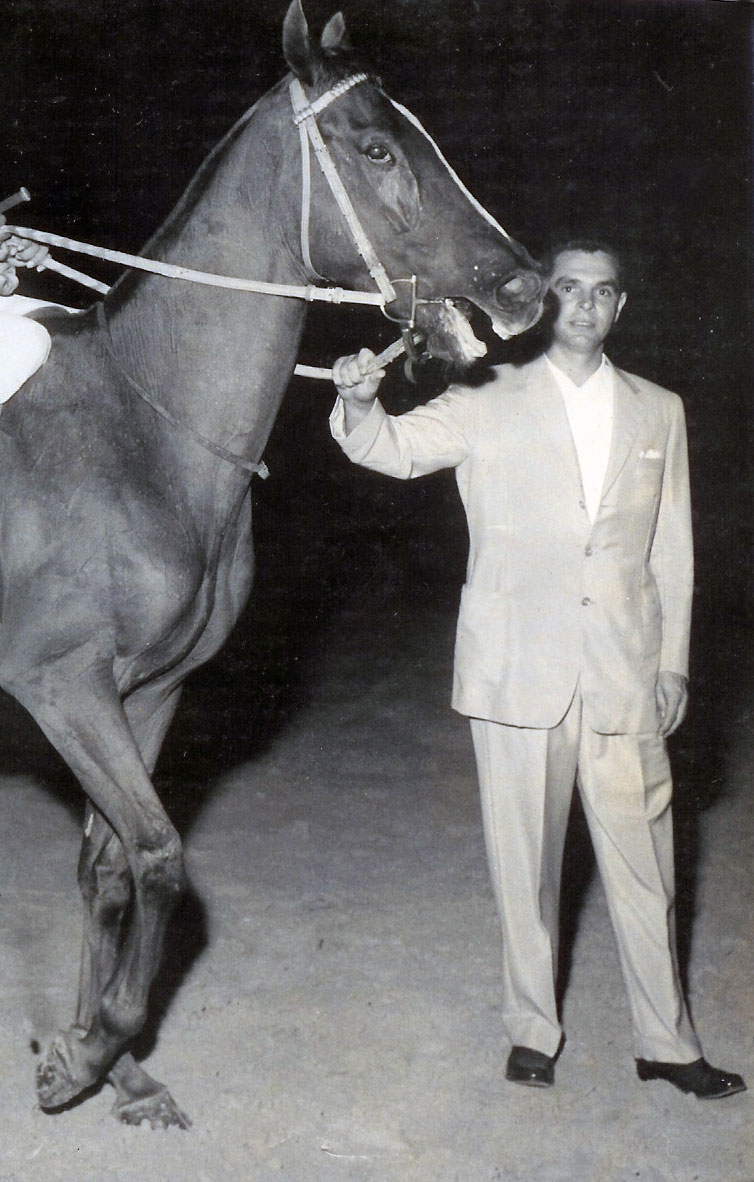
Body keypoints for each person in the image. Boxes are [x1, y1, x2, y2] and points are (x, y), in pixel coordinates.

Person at [329, 241, 746, 1099]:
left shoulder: (658, 410)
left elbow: (674, 550)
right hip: (518, 673)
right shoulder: (488, 397)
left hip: (625, 674)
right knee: (525, 865)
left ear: (620, 308)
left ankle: (666, 1042)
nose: (585, 304)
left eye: (603, 291)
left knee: (647, 868)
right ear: (544, 302)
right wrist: (358, 401)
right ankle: (532, 1030)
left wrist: (673, 667)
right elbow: (392, 449)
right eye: (568, 289)